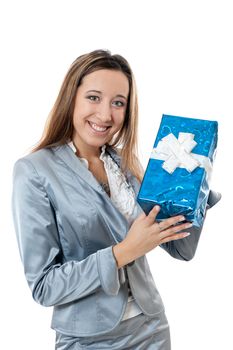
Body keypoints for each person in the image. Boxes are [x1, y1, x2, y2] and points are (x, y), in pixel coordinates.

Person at [11, 49, 221, 350]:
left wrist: (193, 187)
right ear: (72, 97)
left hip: (152, 329)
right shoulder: (33, 171)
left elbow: (181, 249)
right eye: (94, 97)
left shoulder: (125, 163)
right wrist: (122, 252)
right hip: (87, 340)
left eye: (118, 103)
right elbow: (45, 286)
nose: (106, 115)